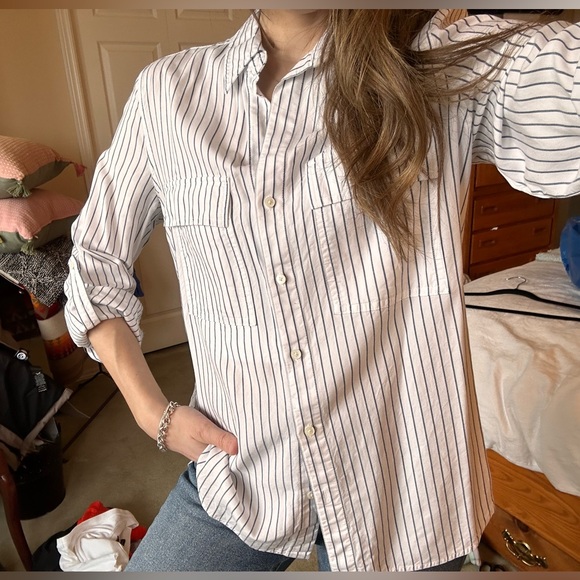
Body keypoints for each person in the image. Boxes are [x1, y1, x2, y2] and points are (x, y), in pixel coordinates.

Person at [63, 8, 580, 572]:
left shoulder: (434, 56)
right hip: (240, 472)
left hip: (403, 490)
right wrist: (151, 413)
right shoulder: (168, 94)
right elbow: (95, 261)